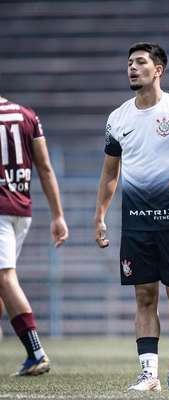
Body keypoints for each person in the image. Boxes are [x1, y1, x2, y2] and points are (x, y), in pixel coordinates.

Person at [95, 42, 169, 392]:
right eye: (129, 63)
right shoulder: (117, 119)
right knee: (144, 297)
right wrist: (99, 216)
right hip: (136, 224)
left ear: (158, 70)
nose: (132, 68)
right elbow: (109, 174)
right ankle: (149, 375)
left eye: (140, 62)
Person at [0, 96, 69, 376]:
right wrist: (58, 215)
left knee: (5, 277)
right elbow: (45, 167)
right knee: (2, 282)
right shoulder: (28, 115)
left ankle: (36, 353)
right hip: (22, 211)